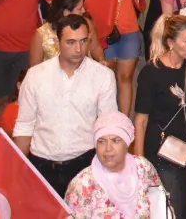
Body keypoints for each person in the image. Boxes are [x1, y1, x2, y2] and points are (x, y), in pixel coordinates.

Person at [13, 14, 118, 197]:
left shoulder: (103, 76)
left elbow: (108, 127)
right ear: (57, 42)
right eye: (71, 42)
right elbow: (24, 125)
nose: (78, 49)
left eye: (83, 41)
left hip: (85, 166)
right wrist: (17, 171)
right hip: (41, 165)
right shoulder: (36, 76)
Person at [133, 14, 186, 219]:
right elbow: (140, 121)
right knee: (173, 207)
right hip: (164, 152)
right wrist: (140, 163)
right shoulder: (151, 73)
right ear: (170, 43)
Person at [64, 111, 163, 219]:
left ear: (127, 142)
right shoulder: (83, 183)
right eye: (101, 141)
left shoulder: (143, 168)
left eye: (115, 141)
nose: (108, 148)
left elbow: (160, 205)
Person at [29, 0, 102, 66]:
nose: (84, 11)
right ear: (66, 13)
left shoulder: (86, 24)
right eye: (79, 8)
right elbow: (34, 67)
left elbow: (95, 47)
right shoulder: (41, 34)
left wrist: (101, 59)